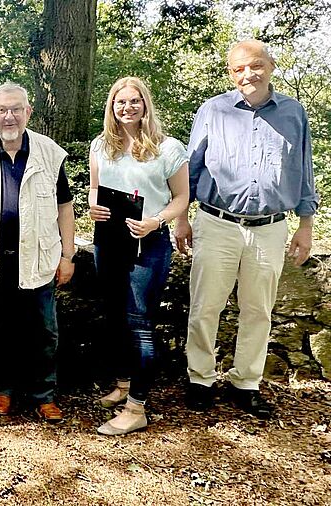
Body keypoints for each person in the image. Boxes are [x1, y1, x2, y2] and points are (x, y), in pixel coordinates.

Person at [176, 40, 318, 419]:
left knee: (258, 309)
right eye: (238, 69)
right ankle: (201, 379)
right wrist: (181, 217)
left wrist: (306, 226)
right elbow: (191, 167)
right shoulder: (214, 110)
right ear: (230, 73)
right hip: (216, 222)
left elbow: (304, 170)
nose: (247, 75)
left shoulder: (293, 113)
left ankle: (246, 383)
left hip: (270, 228)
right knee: (206, 306)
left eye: (254, 66)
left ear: (270, 66)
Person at [0, 82, 75, 422]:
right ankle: (3, 390)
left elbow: (65, 207)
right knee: (0, 328)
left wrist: (67, 255)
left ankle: (44, 395)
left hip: (39, 257)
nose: (9, 116)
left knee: (44, 331)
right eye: (2, 110)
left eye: (16, 109)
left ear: (27, 113)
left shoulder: (49, 152)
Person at [88, 77, 189, 435]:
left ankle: (137, 408)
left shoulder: (168, 148)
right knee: (114, 317)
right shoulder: (101, 145)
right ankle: (124, 384)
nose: (127, 108)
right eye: (120, 102)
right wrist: (93, 206)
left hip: (149, 244)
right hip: (110, 241)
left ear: (145, 104)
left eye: (134, 101)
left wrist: (156, 221)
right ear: (111, 107)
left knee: (140, 323)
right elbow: (96, 188)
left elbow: (181, 198)